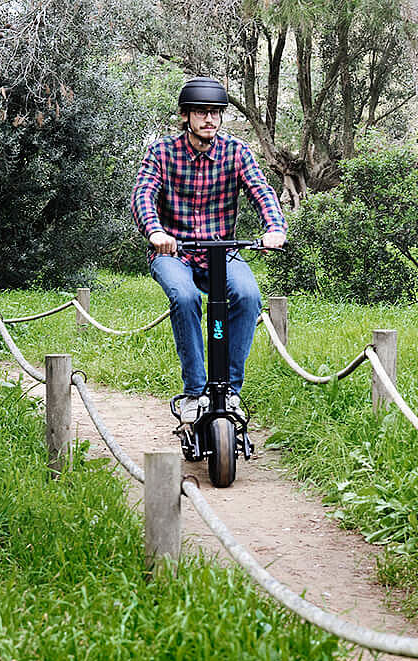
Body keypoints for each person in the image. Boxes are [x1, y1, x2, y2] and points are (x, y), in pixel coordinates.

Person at [131, 77, 287, 422]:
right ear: (185, 116)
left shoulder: (236, 152)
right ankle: (194, 393)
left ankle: (229, 392)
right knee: (185, 297)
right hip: (174, 252)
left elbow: (261, 191)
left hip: (221, 251)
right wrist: (155, 232)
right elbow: (143, 195)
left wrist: (274, 228)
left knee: (248, 296)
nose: (210, 119)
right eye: (202, 112)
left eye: (216, 112)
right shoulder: (162, 153)